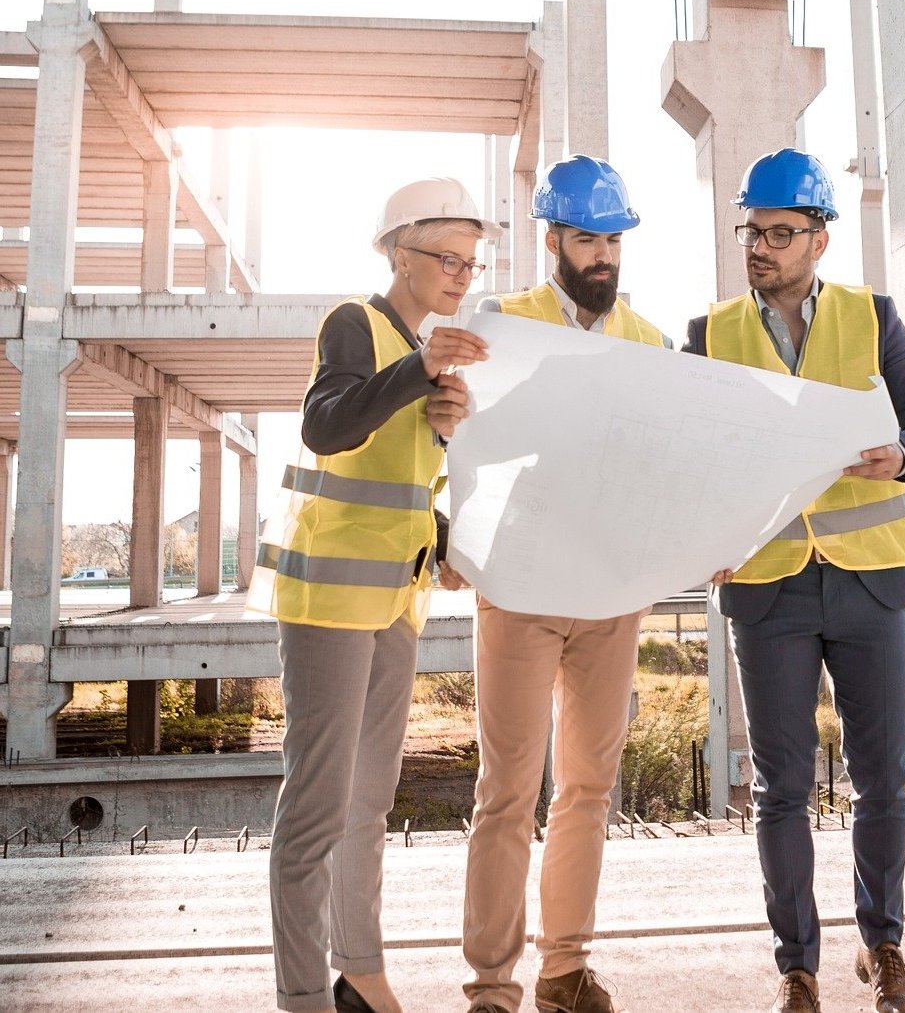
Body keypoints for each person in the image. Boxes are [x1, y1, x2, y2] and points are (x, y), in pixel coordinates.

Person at [683, 149, 905, 1013]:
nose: (758, 246)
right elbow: (689, 457)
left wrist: (902, 454)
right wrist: (703, 535)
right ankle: (796, 967)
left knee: (884, 777)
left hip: (869, 582)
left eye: (777, 232)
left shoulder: (871, 318)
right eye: (750, 231)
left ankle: (883, 948)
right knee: (782, 788)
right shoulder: (709, 333)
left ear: (819, 239)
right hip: (767, 589)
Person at [251, 177, 498, 1013]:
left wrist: (438, 429)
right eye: (445, 257)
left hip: (396, 600)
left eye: (471, 260)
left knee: (367, 799)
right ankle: (300, 994)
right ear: (399, 252)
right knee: (316, 806)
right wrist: (417, 370)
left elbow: (395, 479)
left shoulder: (420, 347)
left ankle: (359, 969)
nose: (461, 273)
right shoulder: (354, 321)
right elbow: (326, 425)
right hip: (327, 600)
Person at [461, 155, 670, 1013]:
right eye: (587, 237)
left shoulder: (651, 342)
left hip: (611, 591)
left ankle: (563, 968)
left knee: (586, 787)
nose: (603, 256)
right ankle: (490, 984)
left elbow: (667, 464)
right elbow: (460, 439)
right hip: (519, 584)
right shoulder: (501, 323)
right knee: (506, 788)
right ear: (552, 239)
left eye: (613, 240)